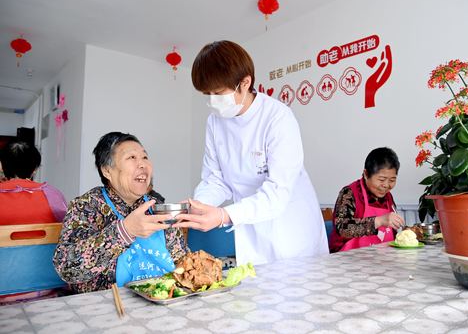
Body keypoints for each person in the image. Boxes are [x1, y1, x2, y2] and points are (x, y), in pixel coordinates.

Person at [174, 40, 329, 265]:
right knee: (257, 295)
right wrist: (198, 206)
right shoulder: (215, 123)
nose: (212, 101)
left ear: (244, 82)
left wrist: (223, 216)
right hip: (252, 230)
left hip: (292, 232)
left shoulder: (277, 118)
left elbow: (277, 193)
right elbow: (216, 179)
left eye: (218, 93)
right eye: (206, 94)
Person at [53, 132, 188, 293]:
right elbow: (67, 268)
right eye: (131, 158)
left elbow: (181, 261)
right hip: (106, 308)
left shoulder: (157, 207)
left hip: (161, 300)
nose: (142, 164)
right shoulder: (87, 207)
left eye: (145, 157)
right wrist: (124, 231)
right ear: (107, 171)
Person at [0, 140, 67, 303]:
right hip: (47, 287)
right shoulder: (52, 195)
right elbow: (68, 232)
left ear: (2, 166)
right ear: (35, 168)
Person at [329, 147, 405, 252]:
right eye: (381, 179)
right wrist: (379, 221)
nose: (386, 185)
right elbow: (342, 228)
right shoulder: (349, 193)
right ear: (366, 174)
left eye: (392, 180)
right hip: (348, 260)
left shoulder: (388, 197)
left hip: (381, 259)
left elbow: (392, 231)